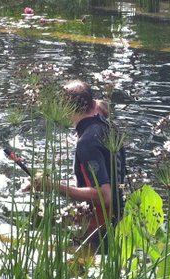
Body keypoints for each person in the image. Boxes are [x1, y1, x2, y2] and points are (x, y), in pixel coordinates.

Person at [33, 79, 126, 246]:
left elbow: (105, 196)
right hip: (121, 221)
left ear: (66, 108)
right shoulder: (111, 127)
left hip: (98, 231)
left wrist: (53, 185)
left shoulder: (87, 142)